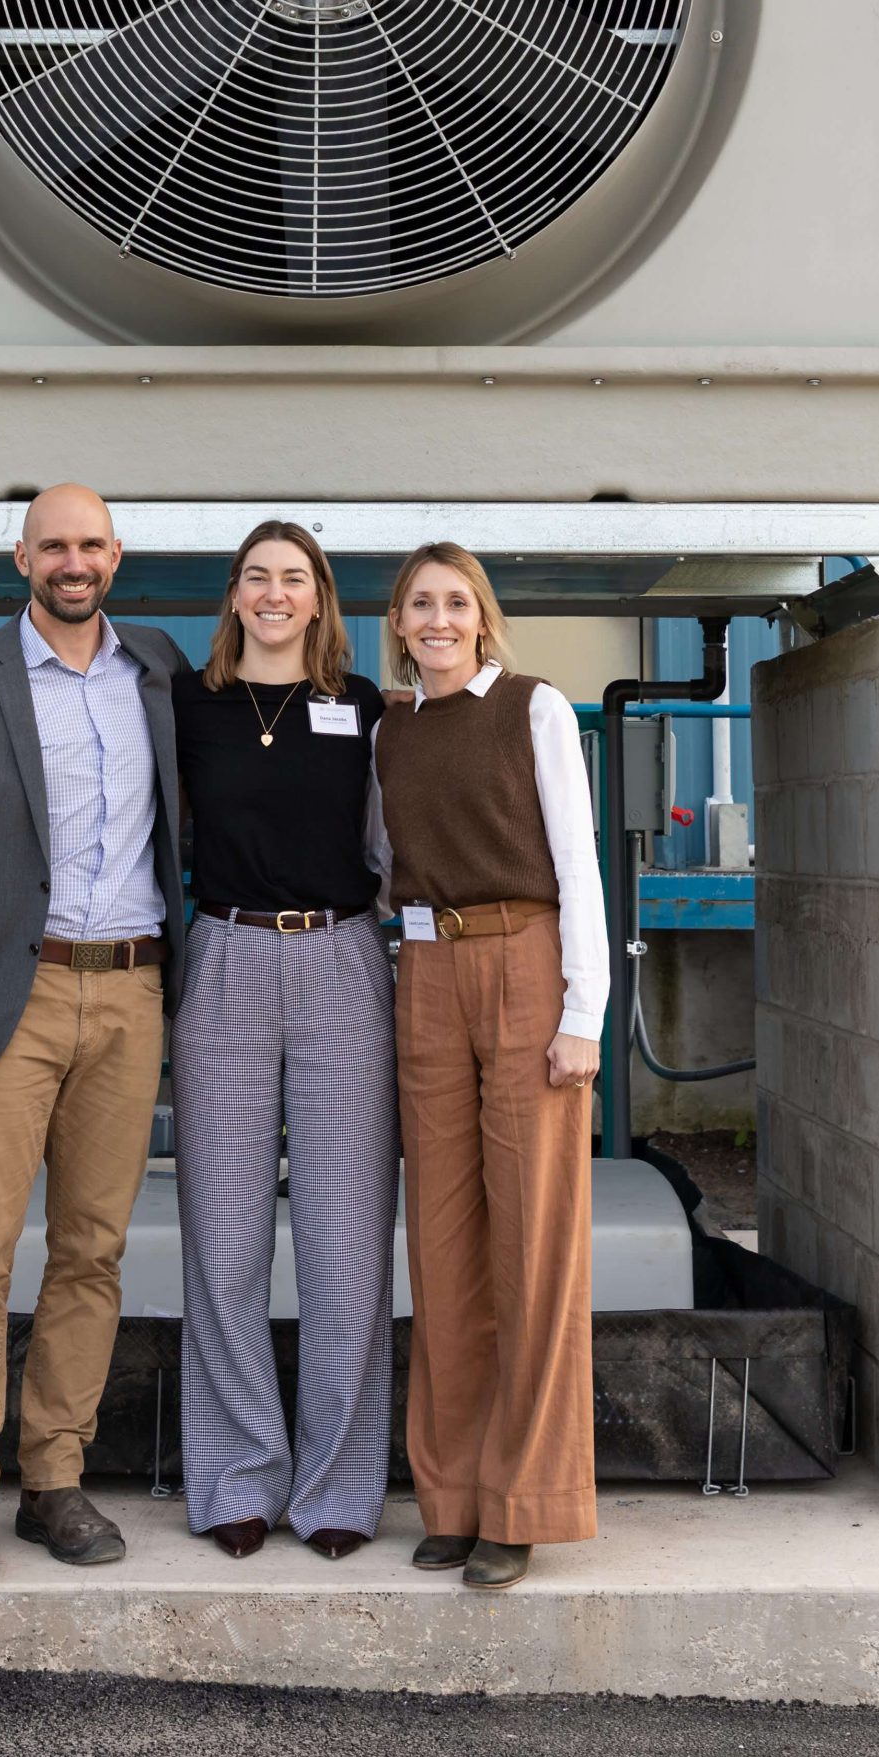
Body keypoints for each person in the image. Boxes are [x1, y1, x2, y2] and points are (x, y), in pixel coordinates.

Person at [0, 482, 190, 1586]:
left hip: (130, 995)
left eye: (91, 544)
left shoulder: (155, 669)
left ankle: (53, 1480)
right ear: (22, 556)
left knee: (93, 1249)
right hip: (3, 999)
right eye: (53, 544)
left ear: (119, 552)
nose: (74, 560)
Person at [370, 541, 605, 1591]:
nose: (438, 617)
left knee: (533, 1237)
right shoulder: (390, 730)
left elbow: (579, 864)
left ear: (482, 615)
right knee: (444, 1243)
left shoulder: (534, 709)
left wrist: (584, 1012)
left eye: (455, 601)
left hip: (525, 960)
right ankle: (453, 1497)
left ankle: (522, 1502)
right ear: (398, 620)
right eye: (420, 602)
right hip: (423, 966)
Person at [170, 521, 396, 1562]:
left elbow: (394, 845)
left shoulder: (362, 707)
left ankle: (340, 1485)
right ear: (233, 594)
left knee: (345, 1243)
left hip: (342, 961)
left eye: (292, 579)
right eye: (256, 577)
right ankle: (236, 1475)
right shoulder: (189, 704)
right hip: (223, 959)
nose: (273, 594)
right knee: (225, 1241)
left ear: (319, 599)